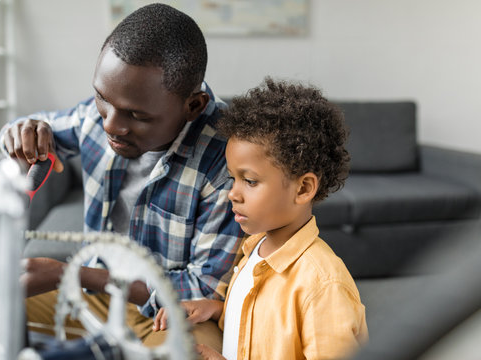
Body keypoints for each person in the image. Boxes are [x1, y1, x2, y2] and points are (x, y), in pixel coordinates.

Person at [0, 3, 243, 351]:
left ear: (193, 106)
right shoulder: (97, 116)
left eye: (136, 115)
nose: (110, 125)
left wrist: (70, 273)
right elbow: (35, 129)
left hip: (170, 313)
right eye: (102, 97)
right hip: (87, 298)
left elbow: (201, 288)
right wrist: (21, 132)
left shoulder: (228, 159)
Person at [153, 78, 369, 360]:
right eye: (233, 179)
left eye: (250, 181)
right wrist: (217, 309)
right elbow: (262, 322)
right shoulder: (254, 249)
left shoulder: (322, 285)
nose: (232, 194)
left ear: (303, 188)